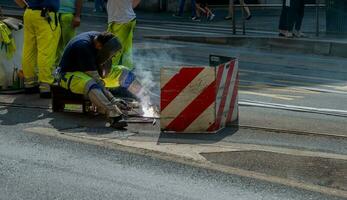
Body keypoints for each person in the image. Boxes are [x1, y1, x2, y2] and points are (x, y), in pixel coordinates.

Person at [56, 31, 147, 128]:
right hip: (68, 74)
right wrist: (113, 100)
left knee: (123, 72)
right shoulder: (83, 47)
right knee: (91, 84)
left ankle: (145, 97)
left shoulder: (99, 38)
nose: (113, 56)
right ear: (100, 46)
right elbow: (97, 80)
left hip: (89, 70)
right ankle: (114, 116)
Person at [14, 0, 61, 98]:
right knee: (46, 52)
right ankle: (46, 86)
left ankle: (30, 84)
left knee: (29, 50)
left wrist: (25, 6)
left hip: (30, 13)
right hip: (46, 16)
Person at [106, 0, 141, 69]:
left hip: (121, 20)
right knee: (125, 49)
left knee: (115, 49)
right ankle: (127, 72)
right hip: (123, 19)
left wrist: (127, 9)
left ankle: (111, 72)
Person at [56, 0, 83, 64]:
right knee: (56, 43)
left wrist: (77, 16)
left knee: (70, 43)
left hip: (68, 14)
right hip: (55, 13)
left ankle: (70, 64)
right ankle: (58, 65)